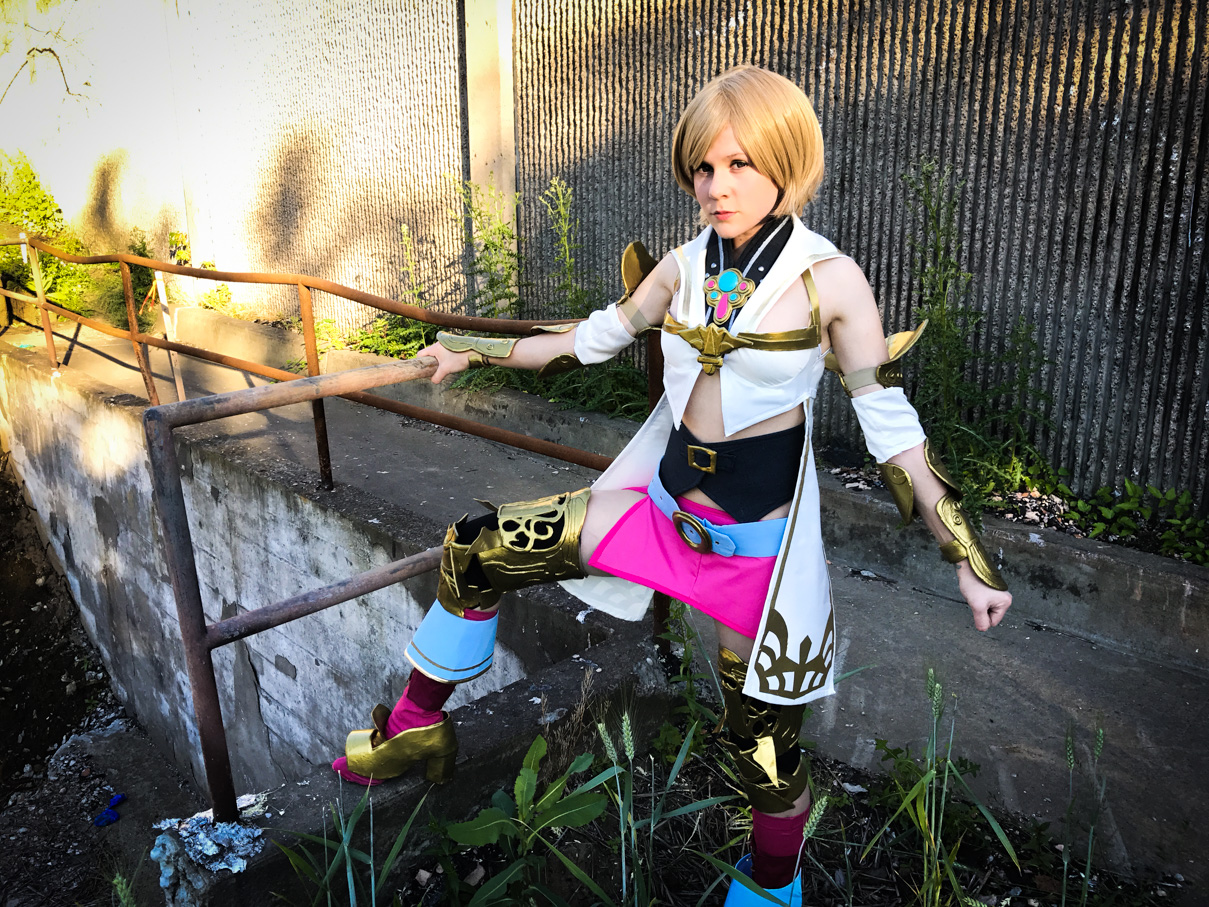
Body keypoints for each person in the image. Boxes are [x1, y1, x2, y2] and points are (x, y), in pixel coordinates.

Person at [332, 65, 1012, 904]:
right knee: (479, 546)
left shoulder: (828, 279)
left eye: (739, 165)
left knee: (764, 760)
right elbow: (588, 339)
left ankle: (770, 890)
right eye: (703, 167)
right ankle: (414, 728)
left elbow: (890, 425)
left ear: (786, 162)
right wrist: (470, 351)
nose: (716, 186)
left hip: (752, 560)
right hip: (658, 516)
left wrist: (966, 557)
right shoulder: (686, 266)